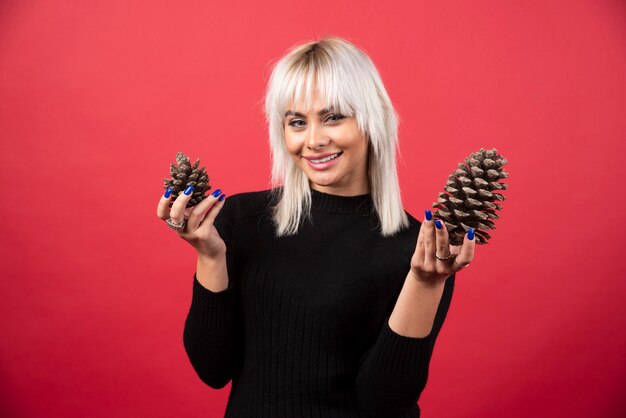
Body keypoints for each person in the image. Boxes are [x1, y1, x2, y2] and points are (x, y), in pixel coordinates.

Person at [156, 36, 475, 418]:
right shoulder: (240, 220)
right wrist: (210, 255)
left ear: (371, 121)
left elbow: (385, 403)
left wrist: (424, 283)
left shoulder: (419, 251)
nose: (313, 141)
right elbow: (212, 368)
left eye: (333, 117)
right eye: (296, 122)